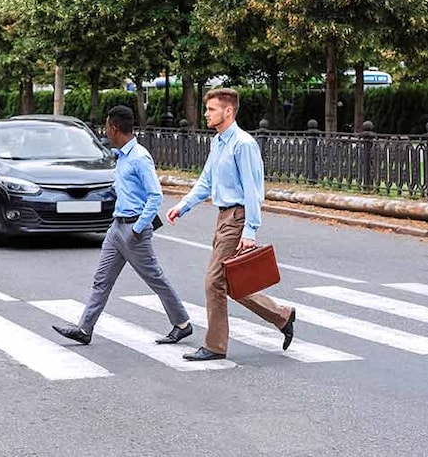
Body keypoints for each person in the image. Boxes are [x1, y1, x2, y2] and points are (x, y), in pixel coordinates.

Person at [166, 88, 295, 361]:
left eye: (211, 109)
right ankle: (282, 315)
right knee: (231, 281)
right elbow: (206, 181)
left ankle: (215, 346)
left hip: (237, 217)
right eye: (207, 109)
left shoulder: (243, 144)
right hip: (223, 216)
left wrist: (250, 229)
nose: (206, 114)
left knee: (214, 281)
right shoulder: (219, 142)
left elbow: (253, 190)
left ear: (228, 111)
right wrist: (183, 205)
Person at [52, 106, 193, 345]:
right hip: (117, 228)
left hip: (133, 229)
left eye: (107, 128)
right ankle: (85, 329)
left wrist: (139, 228)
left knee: (154, 278)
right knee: (101, 279)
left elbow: (155, 196)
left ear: (115, 129)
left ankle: (182, 323)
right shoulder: (122, 156)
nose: (105, 132)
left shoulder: (139, 157)